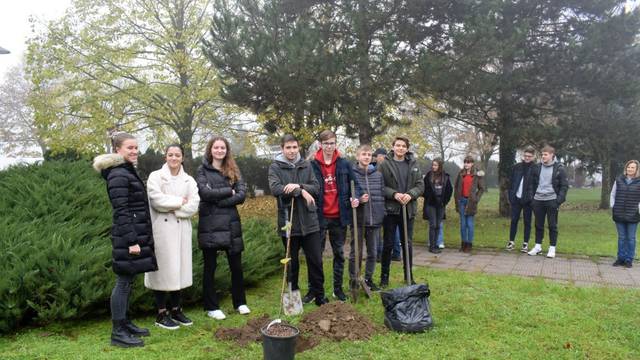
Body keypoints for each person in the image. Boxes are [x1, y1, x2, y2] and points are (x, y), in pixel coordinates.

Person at [93, 132, 157, 348]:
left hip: (133, 233)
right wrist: (131, 241)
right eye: (129, 147)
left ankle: (125, 323)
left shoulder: (125, 171)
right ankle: (117, 332)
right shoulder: (118, 175)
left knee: (128, 281)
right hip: (127, 237)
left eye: (136, 147)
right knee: (122, 283)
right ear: (117, 150)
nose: (134, 151)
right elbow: (121, 211)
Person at [268, 134, 329, 306]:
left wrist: (299, 186)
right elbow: (276, 188)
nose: (292, 151)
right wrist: (300, 192)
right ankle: (293, 302)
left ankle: (319, 297)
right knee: (292, 265)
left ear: (298, 148)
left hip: (310, 222)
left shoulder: (306, 165)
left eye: (294, 147)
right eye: (288, 147)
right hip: (288, 223)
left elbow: (316, 187)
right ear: (282, 149)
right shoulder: (275, 167)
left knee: (316, 262)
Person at [145, 144, 200, 330]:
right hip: (162, 229)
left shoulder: (189, 180)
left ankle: (176, 310)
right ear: (165, 157)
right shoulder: (155, 177)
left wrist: (175, 209)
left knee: (179, 270)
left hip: (182, 228)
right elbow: (156, 201)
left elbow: (194, 205)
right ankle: (161, 314)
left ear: (182, 157)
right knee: (162, 271)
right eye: (170, 154)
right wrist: (179, 202)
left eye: (177, 155)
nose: (174, 158)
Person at [197, 136, 250, 320]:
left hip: (230, 223)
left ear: (227, 150)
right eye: (216, 147)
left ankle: (240, 302)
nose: (219, 150)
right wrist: (229, 191)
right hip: (210, 224)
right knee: (210, 267)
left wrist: (218, 199)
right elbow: (204, 193)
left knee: (236, 266)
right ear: (210, 149)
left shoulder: (234, 169)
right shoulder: (202, 170)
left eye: (222, 147)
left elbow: (242, 195)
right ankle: (211, 307)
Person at [311, 130, 363, 302]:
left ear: (336, 144)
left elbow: (356, 185)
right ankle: (315, 291)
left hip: (339, 217)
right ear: (320, 144)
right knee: (316, 255)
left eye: (332, 143)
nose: (329, 146)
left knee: (339, 254)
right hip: (318, 216)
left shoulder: (344, 164)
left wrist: (356, 198)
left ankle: (337, 289)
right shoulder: (312, 165)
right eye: (325, 143)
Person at [378, 136, 424, 287]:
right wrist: (394, 194)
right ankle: (384, 277)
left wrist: (410, 195)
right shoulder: (384, 164)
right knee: (389, 244)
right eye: (398, 145)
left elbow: (420, 185)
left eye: (403, 146)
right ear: (393, 147)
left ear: (407, 148)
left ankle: (408, 275)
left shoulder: (414, 164)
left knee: (407, 244)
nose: (400, 148)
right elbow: (380, 186)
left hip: (408, 209)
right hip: (391, 210)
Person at [350, 144, 385, 291]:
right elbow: (348, 194)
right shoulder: (351, 174)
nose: (366, 157)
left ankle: (368, 279)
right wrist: (357, 199)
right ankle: (354, 280)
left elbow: (382, 195)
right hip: (358, 220)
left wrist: (382, 214)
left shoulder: (378, 175)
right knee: (355, 252)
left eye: (369, 155)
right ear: (357, 156)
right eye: (363, 154)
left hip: (375, 219)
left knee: (373, 252)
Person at [527, 145, 569, 258]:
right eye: (542, 154)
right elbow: (531, 184)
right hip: (538, 201)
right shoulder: (536, 167)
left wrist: (558, 200)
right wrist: (532, 198)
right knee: (538, 225)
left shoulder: (559, 168)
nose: (543, 156)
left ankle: (552, 248)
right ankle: (537, 246)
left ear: (552, 155)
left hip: (552, 201)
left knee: (552, 225)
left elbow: (564, 186)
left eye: (545, 154)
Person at [372, 147, 401, 262]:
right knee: (392, 229)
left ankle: (380, 254)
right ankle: (396, 253)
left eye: (376, 155)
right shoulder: (391, 167)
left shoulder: (379, 168)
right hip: (389, 201)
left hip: (383, 202)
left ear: (382, 156)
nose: (375, 157)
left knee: (383, 229)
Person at [610, 160, 640, 268]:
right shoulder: (619, 180)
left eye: (633, 167)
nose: (630, 169)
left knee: (631, 238)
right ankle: (620, 258)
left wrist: (638, 210)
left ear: (636, 170)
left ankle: (629, 259)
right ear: (626, 168)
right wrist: (613, 206)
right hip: (619, 213)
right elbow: (613, 194)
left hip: (633, 214)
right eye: (629, 167)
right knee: (621, 237)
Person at [506, 146, 536, 252]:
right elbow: (511, 182)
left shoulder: (536, 168)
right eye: (525, 156)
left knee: (527, 222)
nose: (527, 158)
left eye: (529, 156)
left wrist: (532, 199)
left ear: (533, 157)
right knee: (514, 220)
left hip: (528, 200)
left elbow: (536, 185)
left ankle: (525, 244)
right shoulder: (516, 167)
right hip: (516, 199)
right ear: (523, 155)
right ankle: (511, 242)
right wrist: (511, 196)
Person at [454, 156, 486, 253]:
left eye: (468, 162)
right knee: (463, 224)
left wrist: (476, 198)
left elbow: (482, 188)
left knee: (469, 224)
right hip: (461, 201)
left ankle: (469, 244)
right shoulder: (461, 173)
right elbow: (456, 187)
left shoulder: (477, 174)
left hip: (471, 202)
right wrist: (456, 198)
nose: (466, 164)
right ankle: (463, 244)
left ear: (472, 163)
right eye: (465, 162)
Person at [423, 158, 453, 254]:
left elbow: (449, 190)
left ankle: (436, 244)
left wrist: (445, 202)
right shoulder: (428, 176)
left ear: (440, 166)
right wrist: (429, 196)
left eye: (435, 165)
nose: (433, 167)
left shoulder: (446, 177)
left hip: (441, 204)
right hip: (431, 203)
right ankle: (431, 246)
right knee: (433, 224)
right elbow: (423, 188)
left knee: (438, 226)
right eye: (433, 165)